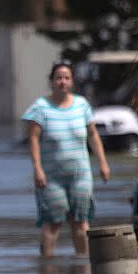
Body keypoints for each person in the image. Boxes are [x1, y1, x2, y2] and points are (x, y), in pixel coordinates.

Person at [22, 60, 110, 257]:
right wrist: (37, 168)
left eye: (66, 78)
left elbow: (93, 135)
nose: (63, 82)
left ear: (72, 82)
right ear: (51, 82)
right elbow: (33, 139)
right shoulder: (40, 108)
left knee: (81, 220)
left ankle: (83, 268)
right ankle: (46, 268)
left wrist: (103, 163)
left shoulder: (82, 105)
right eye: (58, 78)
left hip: (81, 174)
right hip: (51, 177)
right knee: (52, 222)